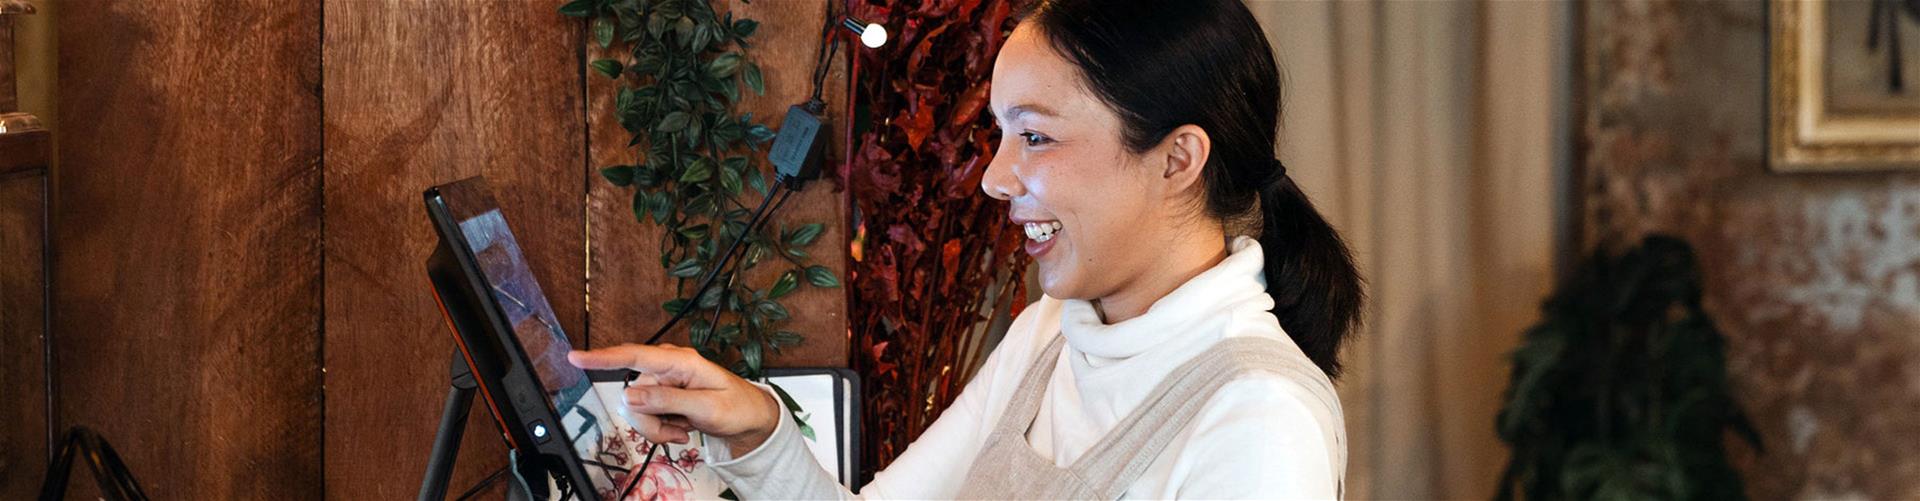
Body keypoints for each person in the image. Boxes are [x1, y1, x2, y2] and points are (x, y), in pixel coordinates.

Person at [568, 0, 1364, 497]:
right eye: (1001, 133)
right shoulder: (1052, 332)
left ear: (1178, 159)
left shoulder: (1261, 418)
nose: (995, 177)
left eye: (1037, 136)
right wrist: (757, 427)